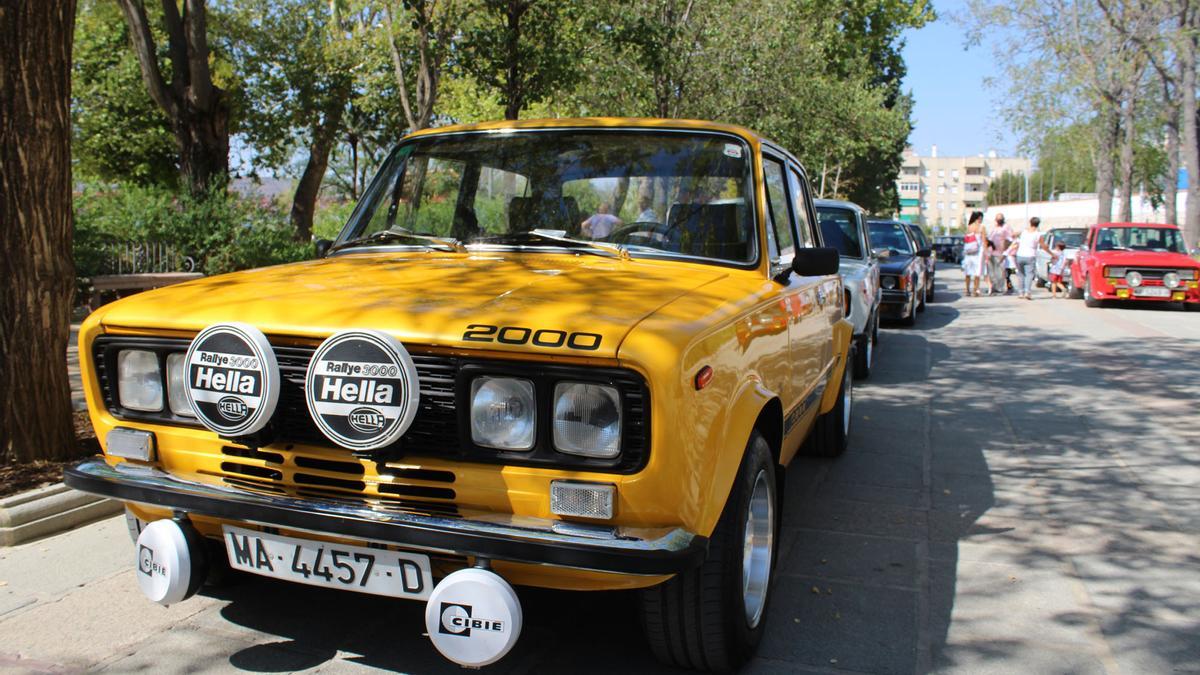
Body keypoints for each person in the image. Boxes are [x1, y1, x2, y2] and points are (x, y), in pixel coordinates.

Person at [1014, 217, 1051, 299]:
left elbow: (1014, 235)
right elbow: (1043, 246)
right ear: (1038, 224)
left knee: (1021, 275)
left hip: (1020, 255)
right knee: (1029, 275)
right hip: (1030, 256)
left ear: (1030, 222)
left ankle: (1020, 292)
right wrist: (1051, 253)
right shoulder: (1038, 235)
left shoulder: (1023, 232)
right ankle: (1027, 292)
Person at [986, 212, 1013, 295]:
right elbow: (989, 238)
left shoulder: (1006, 227)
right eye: (997, 219)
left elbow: (1010, 239)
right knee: (992, 271)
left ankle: (1006, 288)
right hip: (992, 252)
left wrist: (1005, 250)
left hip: (1001, 253)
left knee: (1003, 272)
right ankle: (994, 287)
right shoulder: (994, 228)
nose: (999, 220)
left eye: (1000, 219)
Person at [961, 211, 986, 297]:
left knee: (968, 271)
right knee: (977, 272)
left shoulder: (969, 227)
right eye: (981, 218)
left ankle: (967, 289)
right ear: (979, 218)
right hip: (977, 252)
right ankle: (976, 290)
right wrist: (986, 253)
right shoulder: (981, 228)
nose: (982, 220)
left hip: (968, 252)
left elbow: (966, 239)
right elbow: (984, 241)